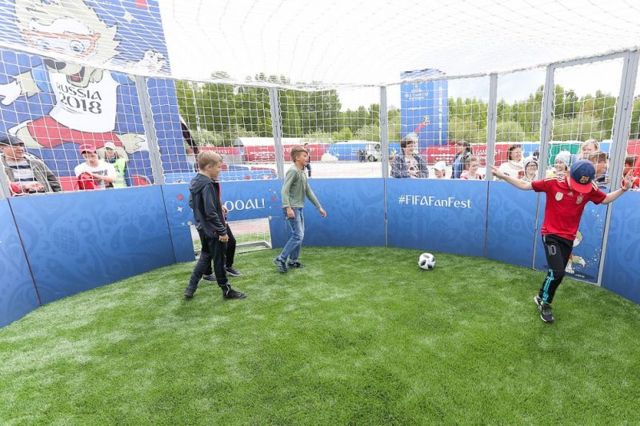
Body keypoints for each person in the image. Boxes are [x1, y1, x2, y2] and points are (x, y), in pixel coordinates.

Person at [493, 159, 633, 324]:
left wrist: (623, 189)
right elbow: (525, 185)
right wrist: (503, 176)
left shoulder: (590, 188)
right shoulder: (552, 182)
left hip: (568, 238)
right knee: (558, 272)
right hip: (550, 235)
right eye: (577, 184)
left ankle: (541, 296)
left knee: (556, 273)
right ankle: (545, 304)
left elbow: (605, 199)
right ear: (569, 174)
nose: (580, 189)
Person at [184, 151, 246, 300]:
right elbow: (211, 212)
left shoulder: (196, 181)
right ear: (209, 167)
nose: (220, 170)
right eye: (218, 167)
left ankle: (190, 288)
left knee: (205, 256)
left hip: (203, 227)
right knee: (219, 260)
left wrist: (219, 206)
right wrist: (222, 231)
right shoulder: (207, 184)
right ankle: (226, 290)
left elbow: (192, 203)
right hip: (213, 229)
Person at [273, 145, 327, 273]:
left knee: (299, 236)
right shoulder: (293, 171)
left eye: (307, 155)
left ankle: (293, 261)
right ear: (297, 158)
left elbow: (308, 191)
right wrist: (288, 208)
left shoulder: (302, 172)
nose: (307, 157)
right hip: (292, 208)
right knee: (298, 235)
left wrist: (319, 207)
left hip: (299, 208)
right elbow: (284, 190)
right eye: (304, 155)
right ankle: (281, 259)